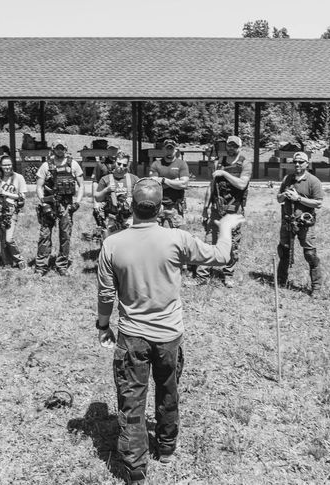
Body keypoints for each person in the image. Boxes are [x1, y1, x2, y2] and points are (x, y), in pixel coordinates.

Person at [96, 178, 244, 485]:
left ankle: (135, 469)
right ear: (162, 208)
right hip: (169, 336)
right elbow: (221, 255)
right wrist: (227, 226)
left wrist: (102, 325)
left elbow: (105, 294)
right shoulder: (178, 238)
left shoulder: (112, 243)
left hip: (132, 336)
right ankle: (165, 446)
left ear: (129, 206)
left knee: (131, 400)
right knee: (168, 389)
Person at [193, 135, 251, 287]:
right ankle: (202, 275)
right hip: (216, 209)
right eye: (229, 145)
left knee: (232, 244)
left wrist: (224, 173)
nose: (231, 148)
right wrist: (205, 208)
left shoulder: (245, 164)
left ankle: (228, 274)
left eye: (234, 146)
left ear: (240, 147)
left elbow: (242, 185)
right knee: (209, 241)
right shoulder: (219, 163)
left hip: (234, 210)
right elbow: (211, 186)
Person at [275, 152, 324, 295]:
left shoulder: (313, 181)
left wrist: (298, 199)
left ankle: (316, 288)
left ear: (307, 164)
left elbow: (318, 203)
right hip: (287, 222)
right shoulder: (287, 179)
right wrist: (285, 195)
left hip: (304, 224)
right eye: (295, 162)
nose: (297, 164)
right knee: (284, 251)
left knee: (310, 254)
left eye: (301, 162)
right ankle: (281, 282)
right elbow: (278, 199)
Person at [34, 139, 85, 276]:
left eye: (62, 148)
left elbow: (81, 185)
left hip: (67, 205)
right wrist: (44, 203)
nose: (60, 150)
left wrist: (77, 203)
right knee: (45, 235)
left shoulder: (73, 165)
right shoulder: (46, 166)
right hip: (49, 204)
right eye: (57, 148)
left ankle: (62, 265)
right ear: (53, 149)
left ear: (66, 149)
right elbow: (39, 187)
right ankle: (41, 267)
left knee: (65, 236)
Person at [0, 155, 27, 268]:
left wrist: (5, 193)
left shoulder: (19, 178)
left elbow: (22, 196)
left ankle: (19, 259)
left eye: (9, 164)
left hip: (11, 210)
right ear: (0, 166)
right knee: (2, 239)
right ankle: (6, 262)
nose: (7, 167)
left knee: (9, 238)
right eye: (4, 165)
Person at [94, 154, 139, 238]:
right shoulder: (105, 179)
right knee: (111, 244)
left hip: (129, 218)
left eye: (124, 165)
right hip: (112, 218)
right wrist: (106, 190)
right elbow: (97, 197)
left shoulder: (134, 179)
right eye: (119, 163)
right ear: (115, 163)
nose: (121, 166)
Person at [148, 139, 190, 228]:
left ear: (175, 150)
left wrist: (163, 180)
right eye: (167, 148)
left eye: (171, 148)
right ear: (163, 149)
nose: (169, 151)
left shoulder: (182, 164)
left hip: (175, 205)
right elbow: (153, 185)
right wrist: (175, 182)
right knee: (157, 234)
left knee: (177, 235)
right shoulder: (156, 164)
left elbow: (184, 184)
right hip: (158, 205)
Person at [91, 150, 117, 243]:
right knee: (104, 224)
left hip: (119, 199)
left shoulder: (122, 164)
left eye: (115, 150)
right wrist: (95, 203)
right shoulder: (100, 164)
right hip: (104, 199)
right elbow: (95, 182)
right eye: (111, 149)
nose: (113, 152)